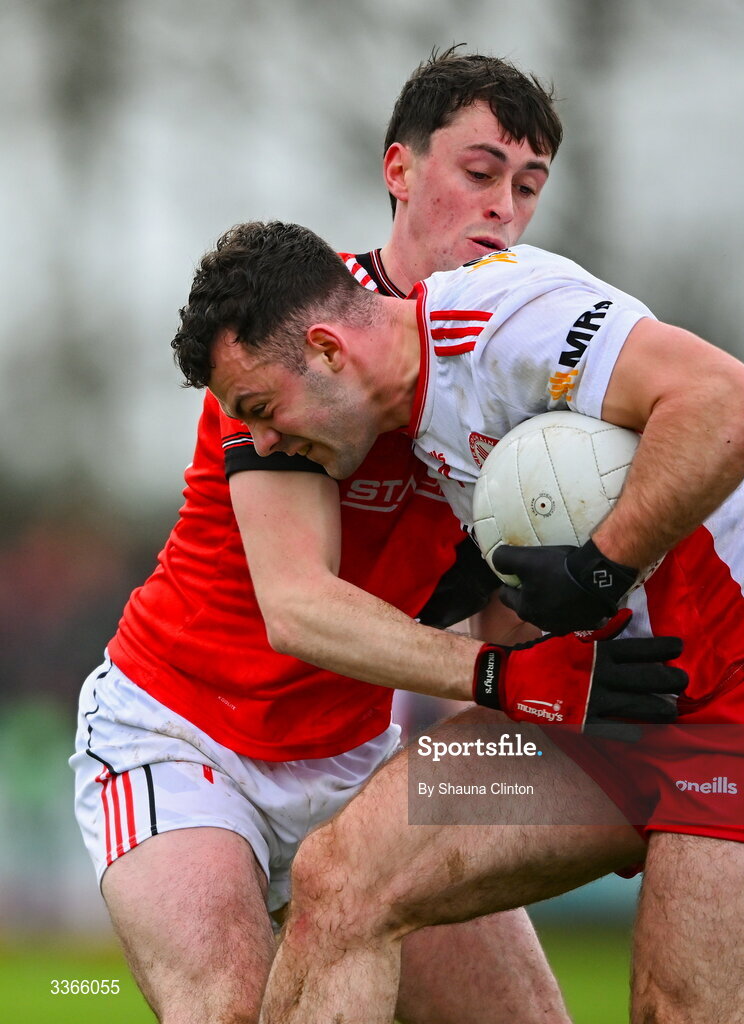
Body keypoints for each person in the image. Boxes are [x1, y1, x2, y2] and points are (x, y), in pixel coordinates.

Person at [170, 220, 744, 1024]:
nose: (260, 441)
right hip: (604, 708)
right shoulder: (412, 408)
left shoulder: (503, 322)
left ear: (328, 350)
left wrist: (604, 565)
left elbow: (733, 402)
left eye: (261, 409)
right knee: (339, 880)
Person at [69, 49, 608, 1024]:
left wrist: (641, 540)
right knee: (230, 1008)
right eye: (479, 172)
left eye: (528, 186)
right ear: (399, 169)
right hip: (184, 731)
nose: (502, 208)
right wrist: (499, 676)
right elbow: (300, 606)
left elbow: (514, 618)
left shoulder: (522, 363)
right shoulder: (296, 329)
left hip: (356, 755)